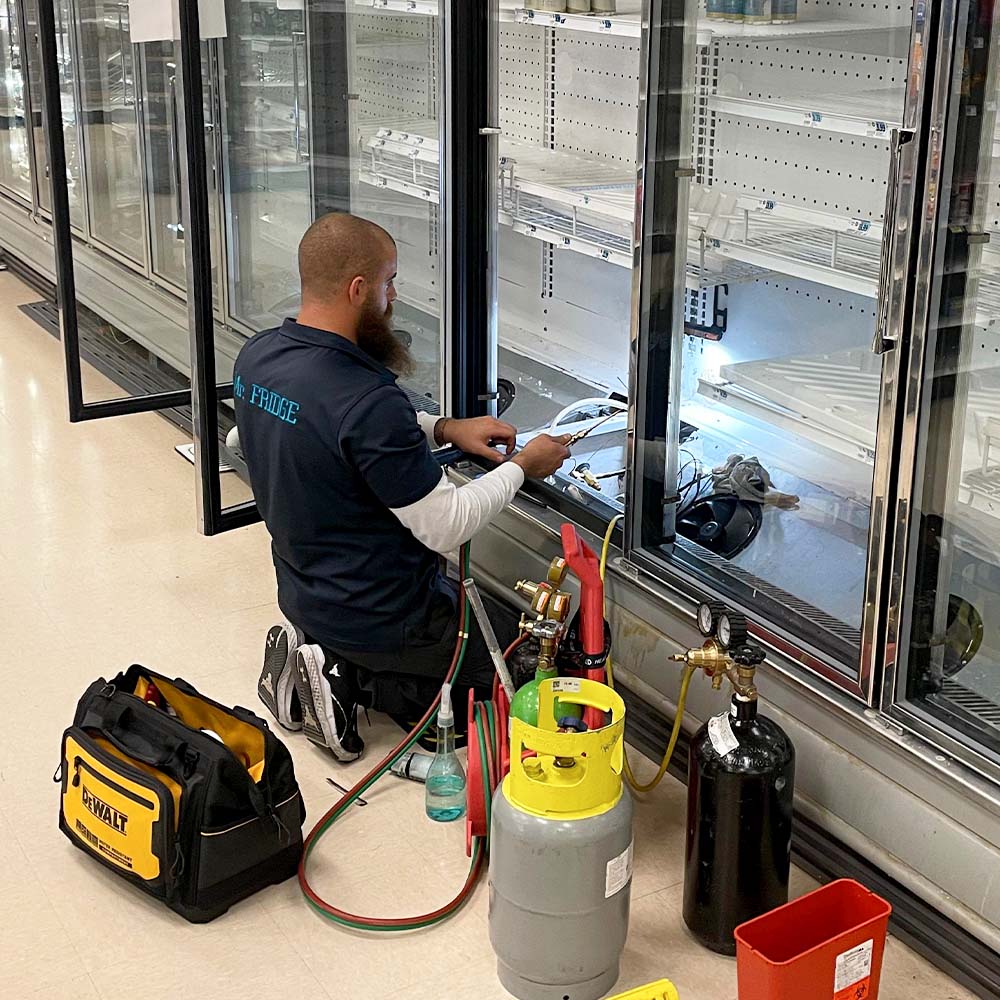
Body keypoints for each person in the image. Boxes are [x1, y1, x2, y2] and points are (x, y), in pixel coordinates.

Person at [233, 212, 571, 760]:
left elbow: (333, 421)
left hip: (303, 589)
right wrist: (522, 467)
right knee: (527, 656)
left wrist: (444, 427)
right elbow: (445, 526)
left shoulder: (260, 356)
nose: (393, 296)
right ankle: (346, 680)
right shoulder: (367, 400)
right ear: (358, 289)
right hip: (384, 614)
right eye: (390, 281)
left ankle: (317, 657)